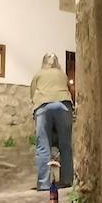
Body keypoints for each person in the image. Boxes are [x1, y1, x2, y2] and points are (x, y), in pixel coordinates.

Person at [30, 52, 74, 190]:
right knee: (65, 145)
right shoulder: (62, 74)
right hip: (63, 105)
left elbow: (32, 95)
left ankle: (43, 183)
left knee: (43, 146)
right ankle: (66, 180)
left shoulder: (38, 74)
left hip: (43, 106)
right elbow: (70, 89)